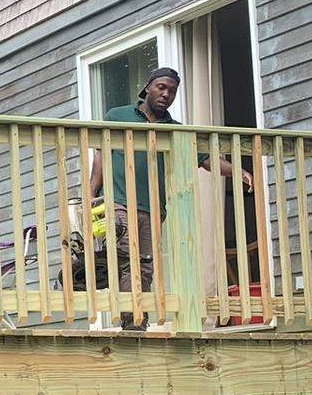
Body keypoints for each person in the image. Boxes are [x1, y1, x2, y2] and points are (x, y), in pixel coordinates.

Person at [85, 67, 250, 329]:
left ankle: (138, 319)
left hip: (153, 207)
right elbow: (101, 157)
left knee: (146, 266)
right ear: (147, 87)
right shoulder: (118, 116)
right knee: (128, 257)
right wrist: (91, 193)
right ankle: (134, 321)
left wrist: (238, 170)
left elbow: (206, 160)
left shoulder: (175, 129)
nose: (166, 94)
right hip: (118, 201)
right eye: (161, 87)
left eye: (172, 90)